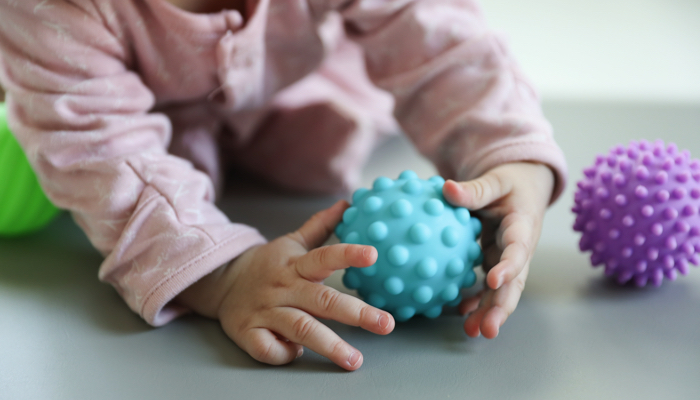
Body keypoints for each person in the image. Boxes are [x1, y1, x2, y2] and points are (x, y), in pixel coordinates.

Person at [0, 0, 567, 371]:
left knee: (317, 150)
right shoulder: (47, 13)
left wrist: (510, 152)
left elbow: (438, 35)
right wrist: (226, 273)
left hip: (285, 85)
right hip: (95, 93)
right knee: (75, 158)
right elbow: (95, 141)